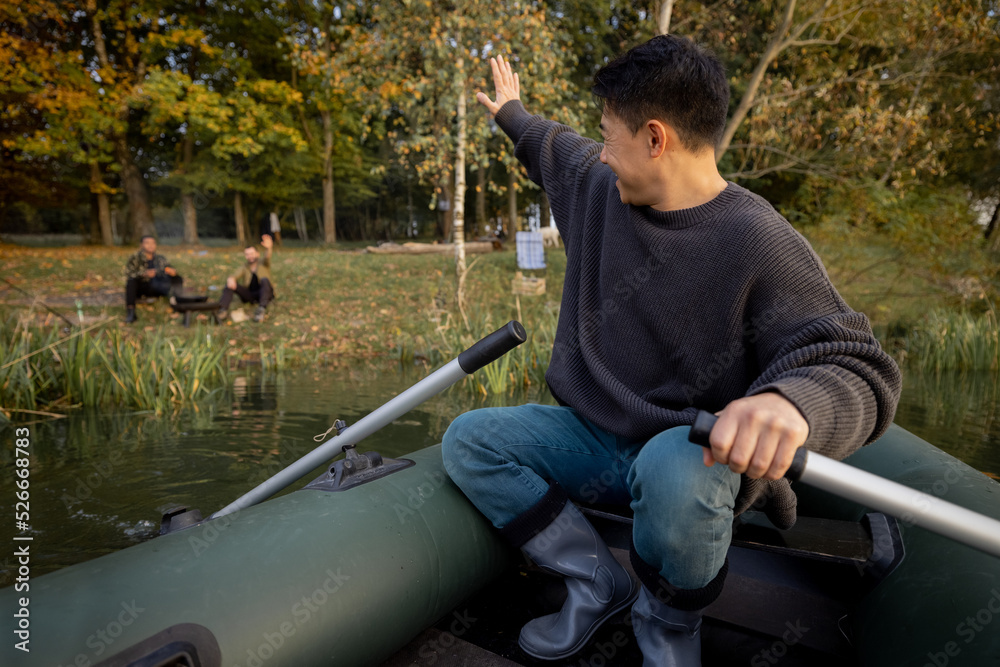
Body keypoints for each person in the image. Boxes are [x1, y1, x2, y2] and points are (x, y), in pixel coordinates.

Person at [441, 36, 901, 666]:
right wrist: (511, 113)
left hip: (689, 456)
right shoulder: (599, 186)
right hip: (594, 437)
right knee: (470, 440)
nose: (599, 152)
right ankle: (594, 579)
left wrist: (792, 405)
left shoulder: (758, 238)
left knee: (673, 470)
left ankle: (667, 619)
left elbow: (858, 366)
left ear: (656, 139)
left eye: (609, 136)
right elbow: (547, 145)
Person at [123, 235, 183, 323]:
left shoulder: (161, 258)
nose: (150, 245)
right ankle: (131, 313)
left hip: (159, 286)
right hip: (143, 287)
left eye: (153, 243)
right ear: (141, 245)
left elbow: (170, 269)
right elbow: (129, 273)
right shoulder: (135, 258)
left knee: (177, 278)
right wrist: (144, 274)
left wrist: (172, 272)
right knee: (131, 281)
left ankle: (177, 303)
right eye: (147, 243)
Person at [217, 234, 275, 323]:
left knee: (264, 280)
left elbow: (267, 257)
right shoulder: (245, 267)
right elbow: (235, 275)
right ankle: (223, 310)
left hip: (264, 293)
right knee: (230, 284)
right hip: (250, 295)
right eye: (247, 254)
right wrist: (231, 279)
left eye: (252, 253)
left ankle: (261, 309)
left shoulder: (263, 263)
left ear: (257, 254)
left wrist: (268, 248)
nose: (250, 256)